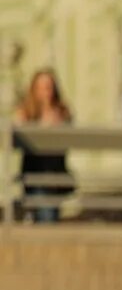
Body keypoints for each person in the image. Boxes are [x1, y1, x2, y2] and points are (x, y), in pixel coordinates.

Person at [12, 67, 74, 222]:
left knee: (49, 214)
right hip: (34, 170)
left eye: (49, 86)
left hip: (55, 172)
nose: (46, 90)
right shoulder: (26, 112)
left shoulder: (62, 111)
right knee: (40, 211)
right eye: (42, 86)